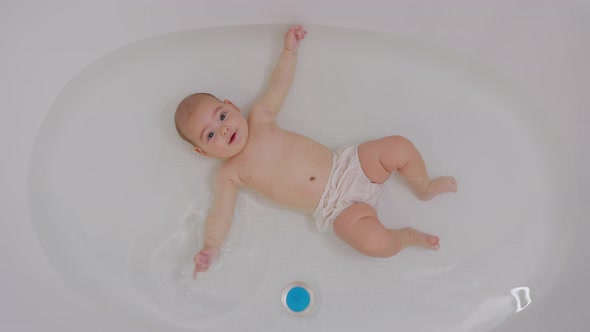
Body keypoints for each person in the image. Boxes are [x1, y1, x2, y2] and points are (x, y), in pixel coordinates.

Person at [174, 25, 457, 279]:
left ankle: (425, 187)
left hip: (349, 167)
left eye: (222, 116)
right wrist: (211, 246)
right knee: (374, 245)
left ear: (231, 105)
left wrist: (289, 50)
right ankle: (407, 237)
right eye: (210, 134)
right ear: (204, 152)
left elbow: (280, 84)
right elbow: (221, 212)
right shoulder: (229, 174)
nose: (223, 130)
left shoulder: (259, 117)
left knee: (398, 146)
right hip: (337, 209)